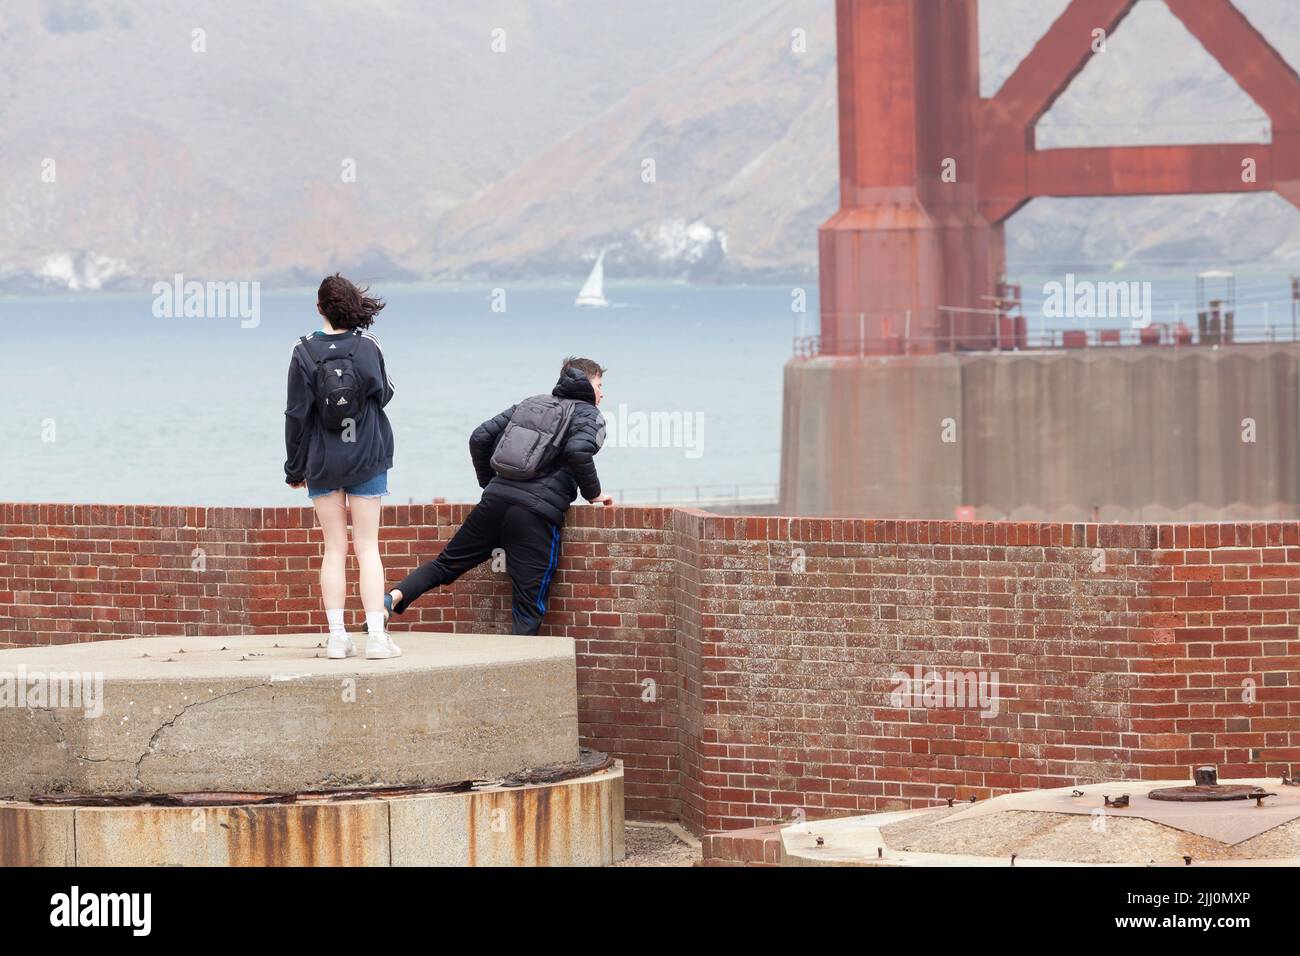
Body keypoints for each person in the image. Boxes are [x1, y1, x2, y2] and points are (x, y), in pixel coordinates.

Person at [386, 357, 614, 634]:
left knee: (445, 565)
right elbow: (578, 450)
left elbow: (479, 437)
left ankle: (390, 599)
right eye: (599, 385)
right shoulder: (589, 414)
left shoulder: (531, 403)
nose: (602, 393)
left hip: (495, 501)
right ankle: (521, 673)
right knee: (529, 605)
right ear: (587, 383)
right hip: (535, 515)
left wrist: (489, 484)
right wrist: (595, 494)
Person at [284, 274, 399, 660]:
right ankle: (377, 639)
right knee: (368, 547)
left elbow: (296, 415)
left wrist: (294, 468)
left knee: (334, 547)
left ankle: (337, 637)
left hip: (322, 461)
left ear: (320, 308)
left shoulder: (301, 351)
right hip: (367, 455)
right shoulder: (367, 345)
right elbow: (384, 393)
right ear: (353, 305)